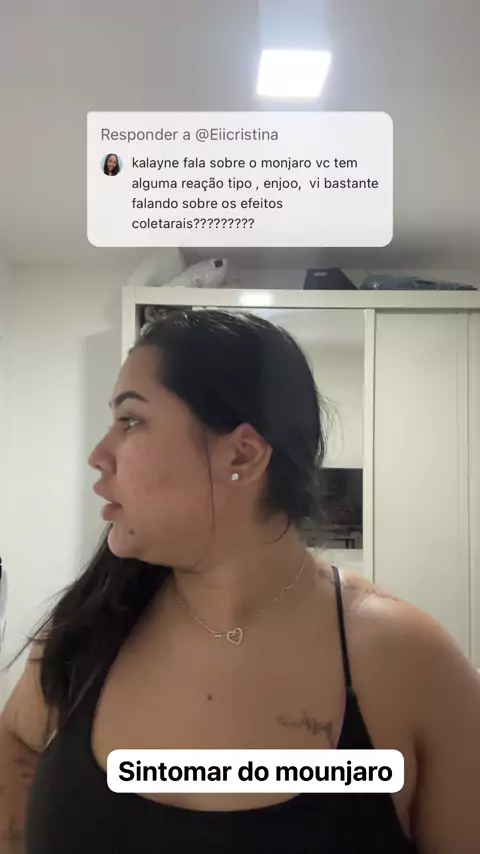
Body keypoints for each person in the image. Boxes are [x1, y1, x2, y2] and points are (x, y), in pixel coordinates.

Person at [0, 309, 479, 854]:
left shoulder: (408, 662)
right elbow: (15, 739)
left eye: (130, 421)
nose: (98, 455)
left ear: (243, 456)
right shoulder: (87, 627)